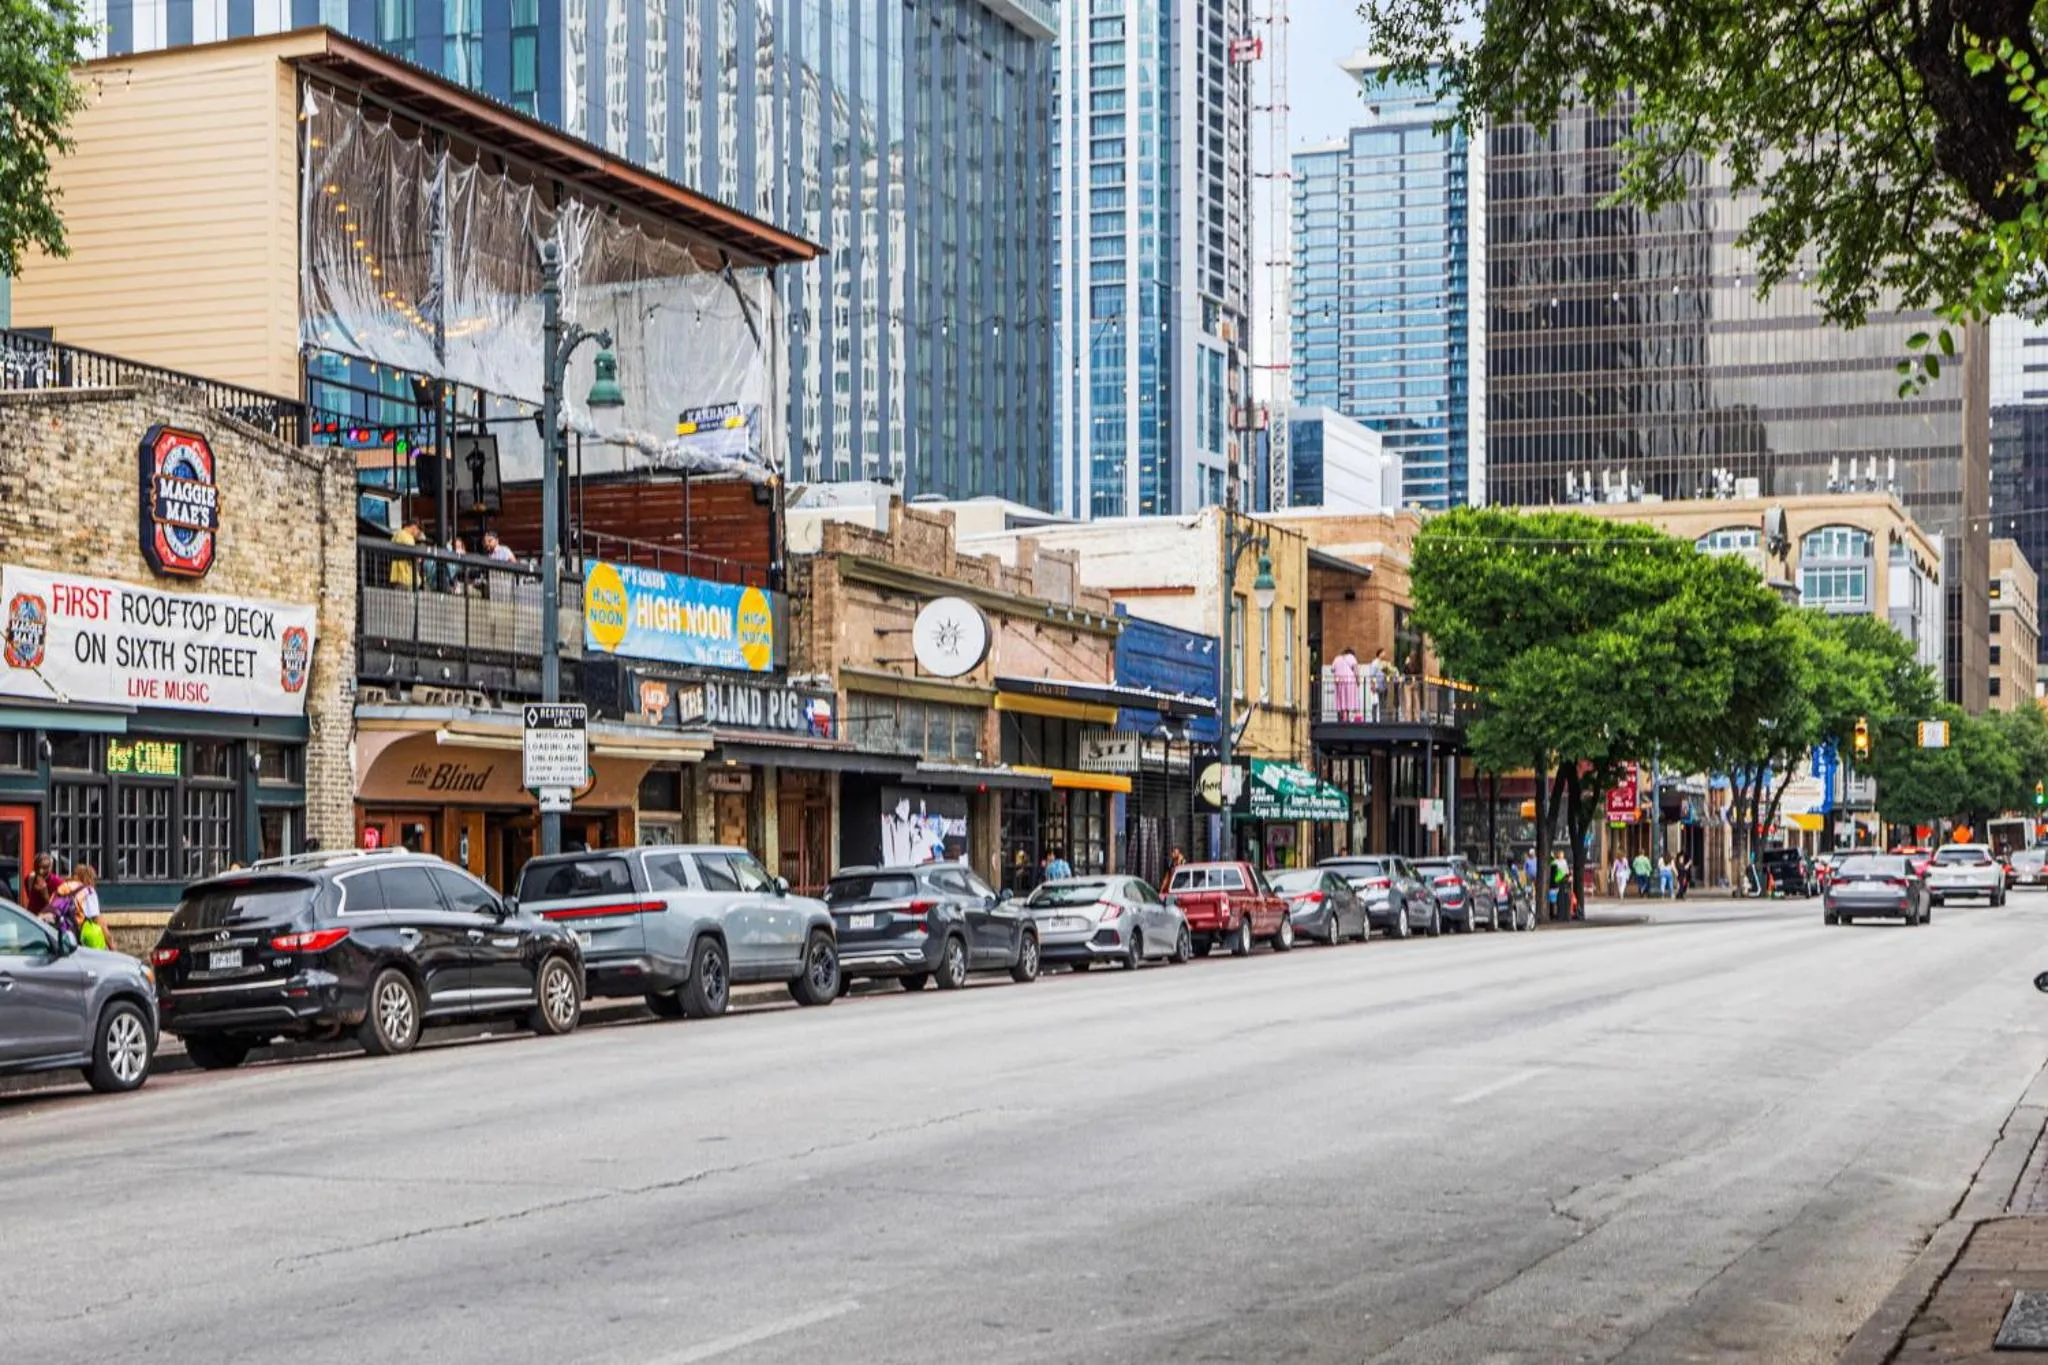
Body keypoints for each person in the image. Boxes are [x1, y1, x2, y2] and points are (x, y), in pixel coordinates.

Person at [1330, 646, 1362, 722]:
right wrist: (1358, 681)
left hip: (1339, 681)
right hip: (1349, 681)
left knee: (1341, 699)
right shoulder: (1352, 657)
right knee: (1349, 698)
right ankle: (1346, 717)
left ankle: (1342, 717)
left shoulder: (1337, 658)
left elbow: (1332, 669)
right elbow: (1356, 671)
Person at [22, 852, 57, 919]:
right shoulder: (29, 879)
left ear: (50, 868)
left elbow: (58, 909)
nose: (40, 871)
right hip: (31, 918)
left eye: (45, 867)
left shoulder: (58, 883)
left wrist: (45, 894)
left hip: (46, 922)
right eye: (37, 867)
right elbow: (30, 898)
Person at [389, 519, 422, 588]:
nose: (417, 533)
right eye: (417, 530)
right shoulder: (407, 537)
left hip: (396, 576)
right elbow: (413, 555)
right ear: (414, 527)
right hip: (406, 577)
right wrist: (419, 559)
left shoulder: (397, 534)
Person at [1364, 649, 1391, 722]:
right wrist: (1372, 685)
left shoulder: (1384, 663)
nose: (1385, 654)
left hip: (1384, 685)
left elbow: (1388, 673)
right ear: (1379, 654)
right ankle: (1374, 719)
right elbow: (1372, 675)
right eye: (1383, 653)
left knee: (1383, 703)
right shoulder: (1375, 663)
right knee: (1375, 702)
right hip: (1377, 686)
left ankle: (1383, 720)